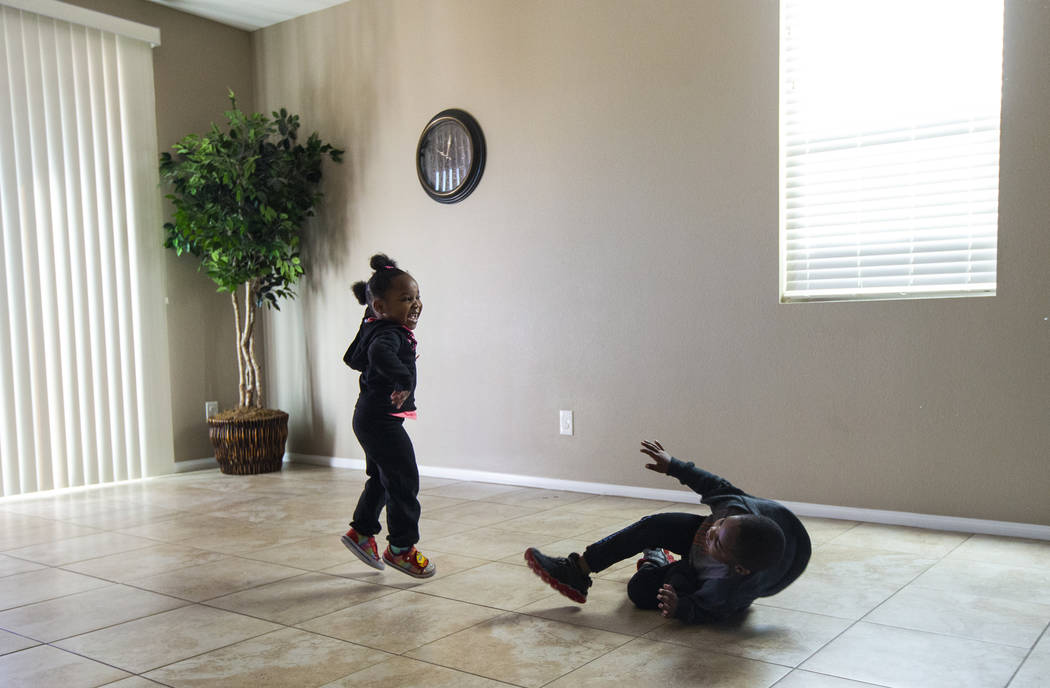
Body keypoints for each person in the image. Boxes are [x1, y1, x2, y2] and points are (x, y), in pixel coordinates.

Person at [524, 440, 810, 623]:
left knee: (640, 591)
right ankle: (577, 570)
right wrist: (674, 466)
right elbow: (713, 484)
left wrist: (681, 607)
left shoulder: (728, 587)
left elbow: (707, 610)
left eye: (718, 542)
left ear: (738, 568)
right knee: (655, 525)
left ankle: (657, 561)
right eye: (718, 525)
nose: (711, 533)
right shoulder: (733, 508)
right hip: (749, 530)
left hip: (711, 570)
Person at [339, 253, 435, 578]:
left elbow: (355, 356)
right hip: (380, 421)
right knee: (404, 479)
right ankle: (401, 549)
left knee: (384, 477)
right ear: (381, 307)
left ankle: (362, 533)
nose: (416, 304)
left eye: (417, 296)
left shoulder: (375, 326)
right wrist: (403, 379)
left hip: (369, 418)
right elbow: (379, 354)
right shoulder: (387, 335)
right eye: (406, 299)